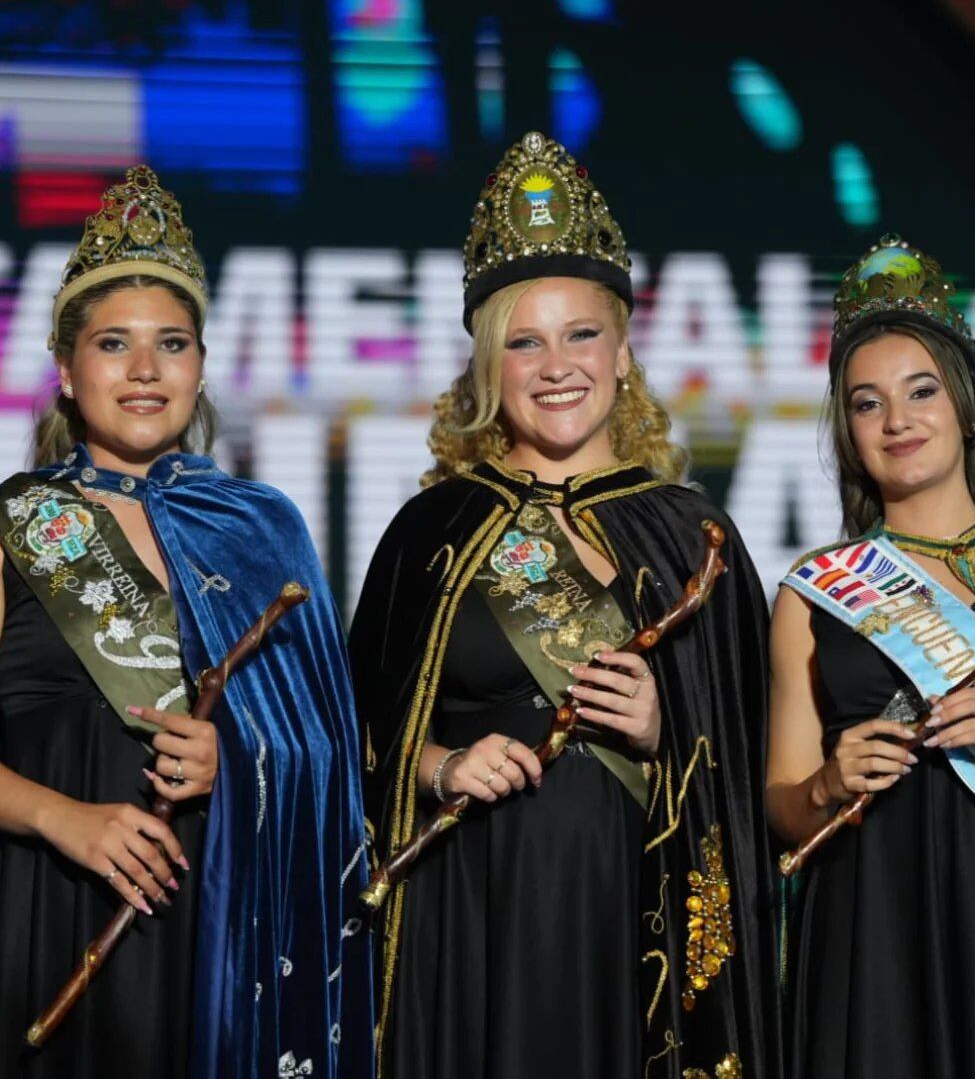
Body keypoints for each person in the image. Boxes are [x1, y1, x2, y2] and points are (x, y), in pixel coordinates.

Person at [349, 131, 782, 1079]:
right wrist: (439, 764)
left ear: (623, 353)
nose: (557, 365)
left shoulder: (691, 536)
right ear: (486, 368)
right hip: (468, 913)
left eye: (581, 334)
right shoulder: (432, 533)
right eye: (524, 342)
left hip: (635, 920)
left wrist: (673, 723)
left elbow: (762, 767)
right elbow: (350, 741)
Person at [0, 167, 373, 1078]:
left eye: (171, 343)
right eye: (113, 344)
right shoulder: (11, 524)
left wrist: (238, 757)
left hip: (215, 923)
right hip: (38, 903)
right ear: (65, 369)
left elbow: (330, 755)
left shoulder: (263, 529)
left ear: (202, 366)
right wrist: (61, 820)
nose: (143, 370)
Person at [766, 234, 975, 1078]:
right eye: (867, 404)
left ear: (967, 403)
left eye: (920, 391)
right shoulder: (814, 589)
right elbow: (782, 802)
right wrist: (829, 783)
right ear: (848, 428)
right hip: (870, 925)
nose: (897, 420)